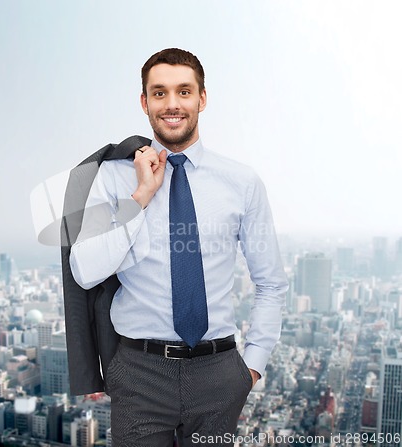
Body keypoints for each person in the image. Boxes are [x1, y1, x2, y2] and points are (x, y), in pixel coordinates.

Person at [69, 48, 288, 447]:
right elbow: (84, 269)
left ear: (202, 98)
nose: (172, 104)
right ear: (144, 102)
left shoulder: (241, 182)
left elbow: (271, 283)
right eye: (159, 93)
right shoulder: (115, 178)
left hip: (219, 371)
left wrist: (251, 368)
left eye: (184, 92)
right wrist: (138, 199)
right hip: (139, 372)